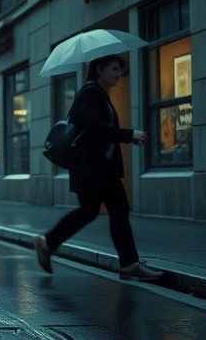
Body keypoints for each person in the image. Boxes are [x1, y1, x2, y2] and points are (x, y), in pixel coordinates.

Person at [33, 55, 163, 282]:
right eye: (114, 69)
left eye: (120, 70)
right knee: (106, 210)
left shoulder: (97, 93)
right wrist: (128, 135)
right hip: (92, 168)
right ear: (99, 69)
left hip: (99, 168)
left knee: (103, 210)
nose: (118, 74)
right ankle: (128, 264)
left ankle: (49, 243)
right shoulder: (91, 92)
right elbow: (93, 127)